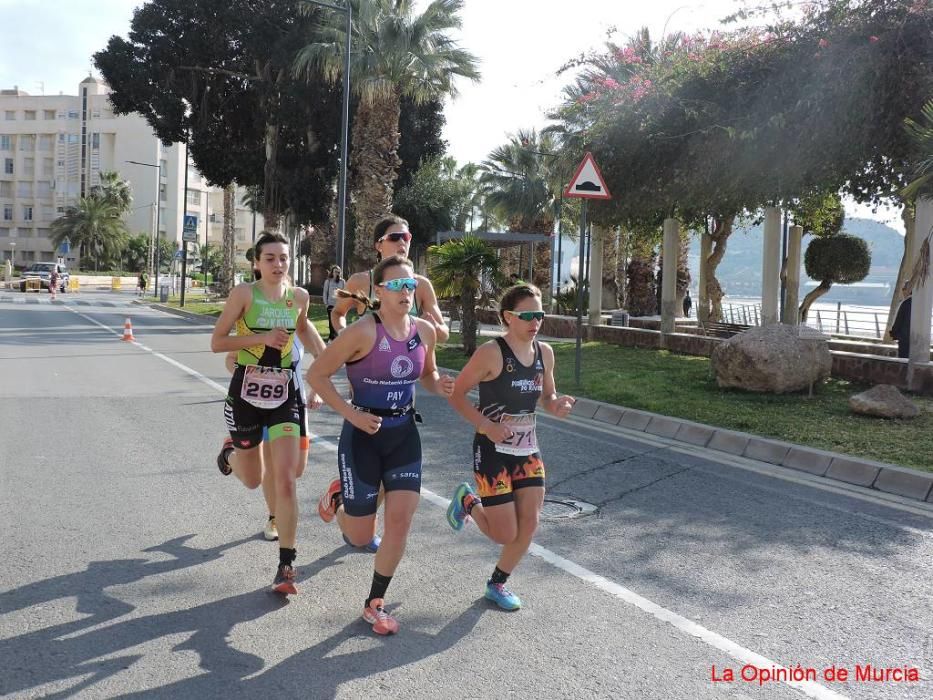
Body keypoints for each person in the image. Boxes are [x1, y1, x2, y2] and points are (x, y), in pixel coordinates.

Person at [308, 254, 455, 635]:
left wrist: (440, 385)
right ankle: (340, 499)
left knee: (400, 520)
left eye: (410, 285)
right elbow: (317, 374)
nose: (406, 292)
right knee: (358, 536)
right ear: (379, 291)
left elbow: (429, 374)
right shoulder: (361, 332)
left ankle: (375, 602)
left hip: (404, 433)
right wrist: (352, 415)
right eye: (397, 285)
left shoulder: (425, 331)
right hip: (362, 436)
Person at [445, 283, 575, 611]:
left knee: (529, 523)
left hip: (528, 450)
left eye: (540, 315)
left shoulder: (545, 353)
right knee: (505, 533)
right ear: (508, 317)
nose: (535, 322)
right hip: (491, 450)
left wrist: (556, 405)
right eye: (527, 315)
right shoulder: (491, 353)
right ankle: (468, 501)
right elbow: (457, 394)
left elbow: (547, 395)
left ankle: (498, 582)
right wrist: (486, 425)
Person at [210, 232, 326, 595]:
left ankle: (286, 564)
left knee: (287, 477)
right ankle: (232, 450)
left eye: (284, 258)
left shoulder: (300, 297)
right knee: (252, 480)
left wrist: (324, 373)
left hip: (284, 397)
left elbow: (306, 333)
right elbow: (218, 342)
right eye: (270, 258)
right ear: (257, 263)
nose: (278, 264)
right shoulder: (244, 294)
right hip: (246, 393)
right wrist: (260, 339)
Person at [329, 215, 449, 343]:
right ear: (378, 245)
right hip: (370, 362)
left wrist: (434, 327)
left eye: (406, 237)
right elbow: (338, 313)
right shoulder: (360, 281)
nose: (402, 242)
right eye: (394, 237)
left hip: (408, 361)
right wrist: (345, 335)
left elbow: (444, 334)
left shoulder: (421, 285)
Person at [889, 281, 913, 359]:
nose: (902, 291)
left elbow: (898, 320)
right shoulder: (919, 303)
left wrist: (894, 333)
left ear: (908, 290)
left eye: (903, 288)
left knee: (903, 360)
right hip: (915, 339)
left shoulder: (905, 303)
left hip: (904, 338)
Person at [322, 265, 345, 341]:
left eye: (338, 272)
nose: (337, 273)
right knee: (331, 321)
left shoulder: (342, 281)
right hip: (330, 304)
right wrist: (326, 304)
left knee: (338, 321)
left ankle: (336, 337)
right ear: (332, 272)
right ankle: (332, 337)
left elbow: (345, 293)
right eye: (335, 271)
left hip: (339, 305)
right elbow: (325, 293)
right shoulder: (328, 281)